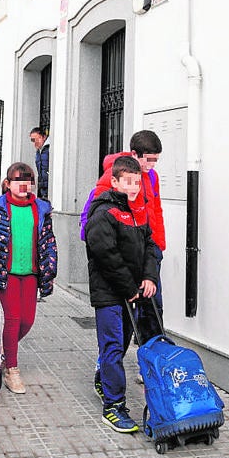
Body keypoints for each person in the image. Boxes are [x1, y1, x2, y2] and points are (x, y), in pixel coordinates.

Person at [84, 155, 158, 433]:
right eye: (128, 182)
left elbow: (150, 245)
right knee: (113, 346)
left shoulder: (137, 212)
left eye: (137, 182)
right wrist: (129, 288)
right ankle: (113, 406)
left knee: (123, 343)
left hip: (132, 293)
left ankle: (104, 380)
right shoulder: (103, 212)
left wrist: (149, 277)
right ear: (114, 181)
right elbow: (106, 255)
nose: (134, 187)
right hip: (110, 295)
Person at [0, 162, 58, 394]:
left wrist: (50, 266)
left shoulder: (41, 208)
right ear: (7, 183)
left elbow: (49, 239)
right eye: (18, 180)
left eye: (28, 181)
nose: (24, 185)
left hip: (32, 272)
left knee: (27, 320)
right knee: (13, 318)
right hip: (7, 272)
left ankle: (2, 352)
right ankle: (12, 369)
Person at [80, 130, 164, 341]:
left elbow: (156, 210)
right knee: (123, 321)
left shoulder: (152, 177)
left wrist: (158, 244)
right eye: (149, 160)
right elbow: (96, 213)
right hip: (124, 251)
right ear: (135, 154)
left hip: (148, 249)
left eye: (156, 160)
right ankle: (105, 363)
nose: (152, 165)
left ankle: (150, 364)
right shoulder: (115, 175)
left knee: (153, 310)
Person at [29, 127, 49, 200]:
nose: (35, 142)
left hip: (50, 187)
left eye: (37, 139)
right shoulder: (38, 151)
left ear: (44, 137)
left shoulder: (49, 148)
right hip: (42, 189)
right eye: (33, 140)